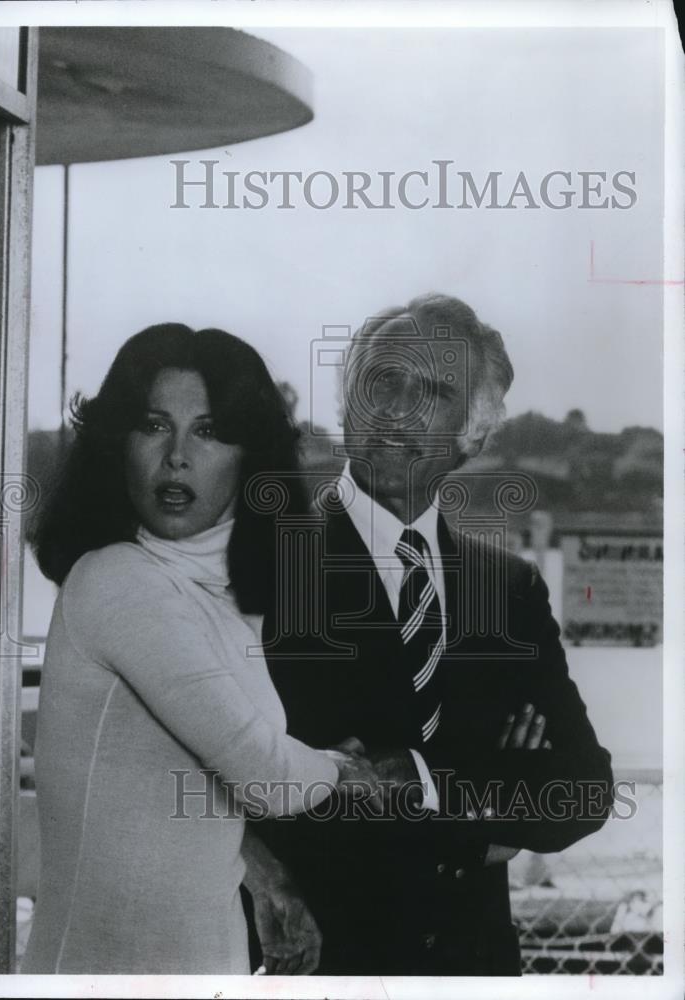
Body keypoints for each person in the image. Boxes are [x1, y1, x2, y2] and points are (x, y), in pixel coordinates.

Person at [251, 293, 614, 975]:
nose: (399, 409)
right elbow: (252, 795)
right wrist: (488, 808)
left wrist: (420, 777)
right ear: (347, 405)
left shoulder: (508, 589)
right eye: (383, 380)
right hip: (320, 968)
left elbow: (583, 788)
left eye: (438, 390)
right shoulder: (267, 565)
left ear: (473, 436)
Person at [21, 323, 381, 975]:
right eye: (155, 426)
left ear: (251, 456)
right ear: (117, 445)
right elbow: (267, 776)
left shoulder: (215, 598)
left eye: (209, 431)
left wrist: (261, 872)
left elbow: (168, 794)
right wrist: (349, 769)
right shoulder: (117, 578)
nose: (178, 456)